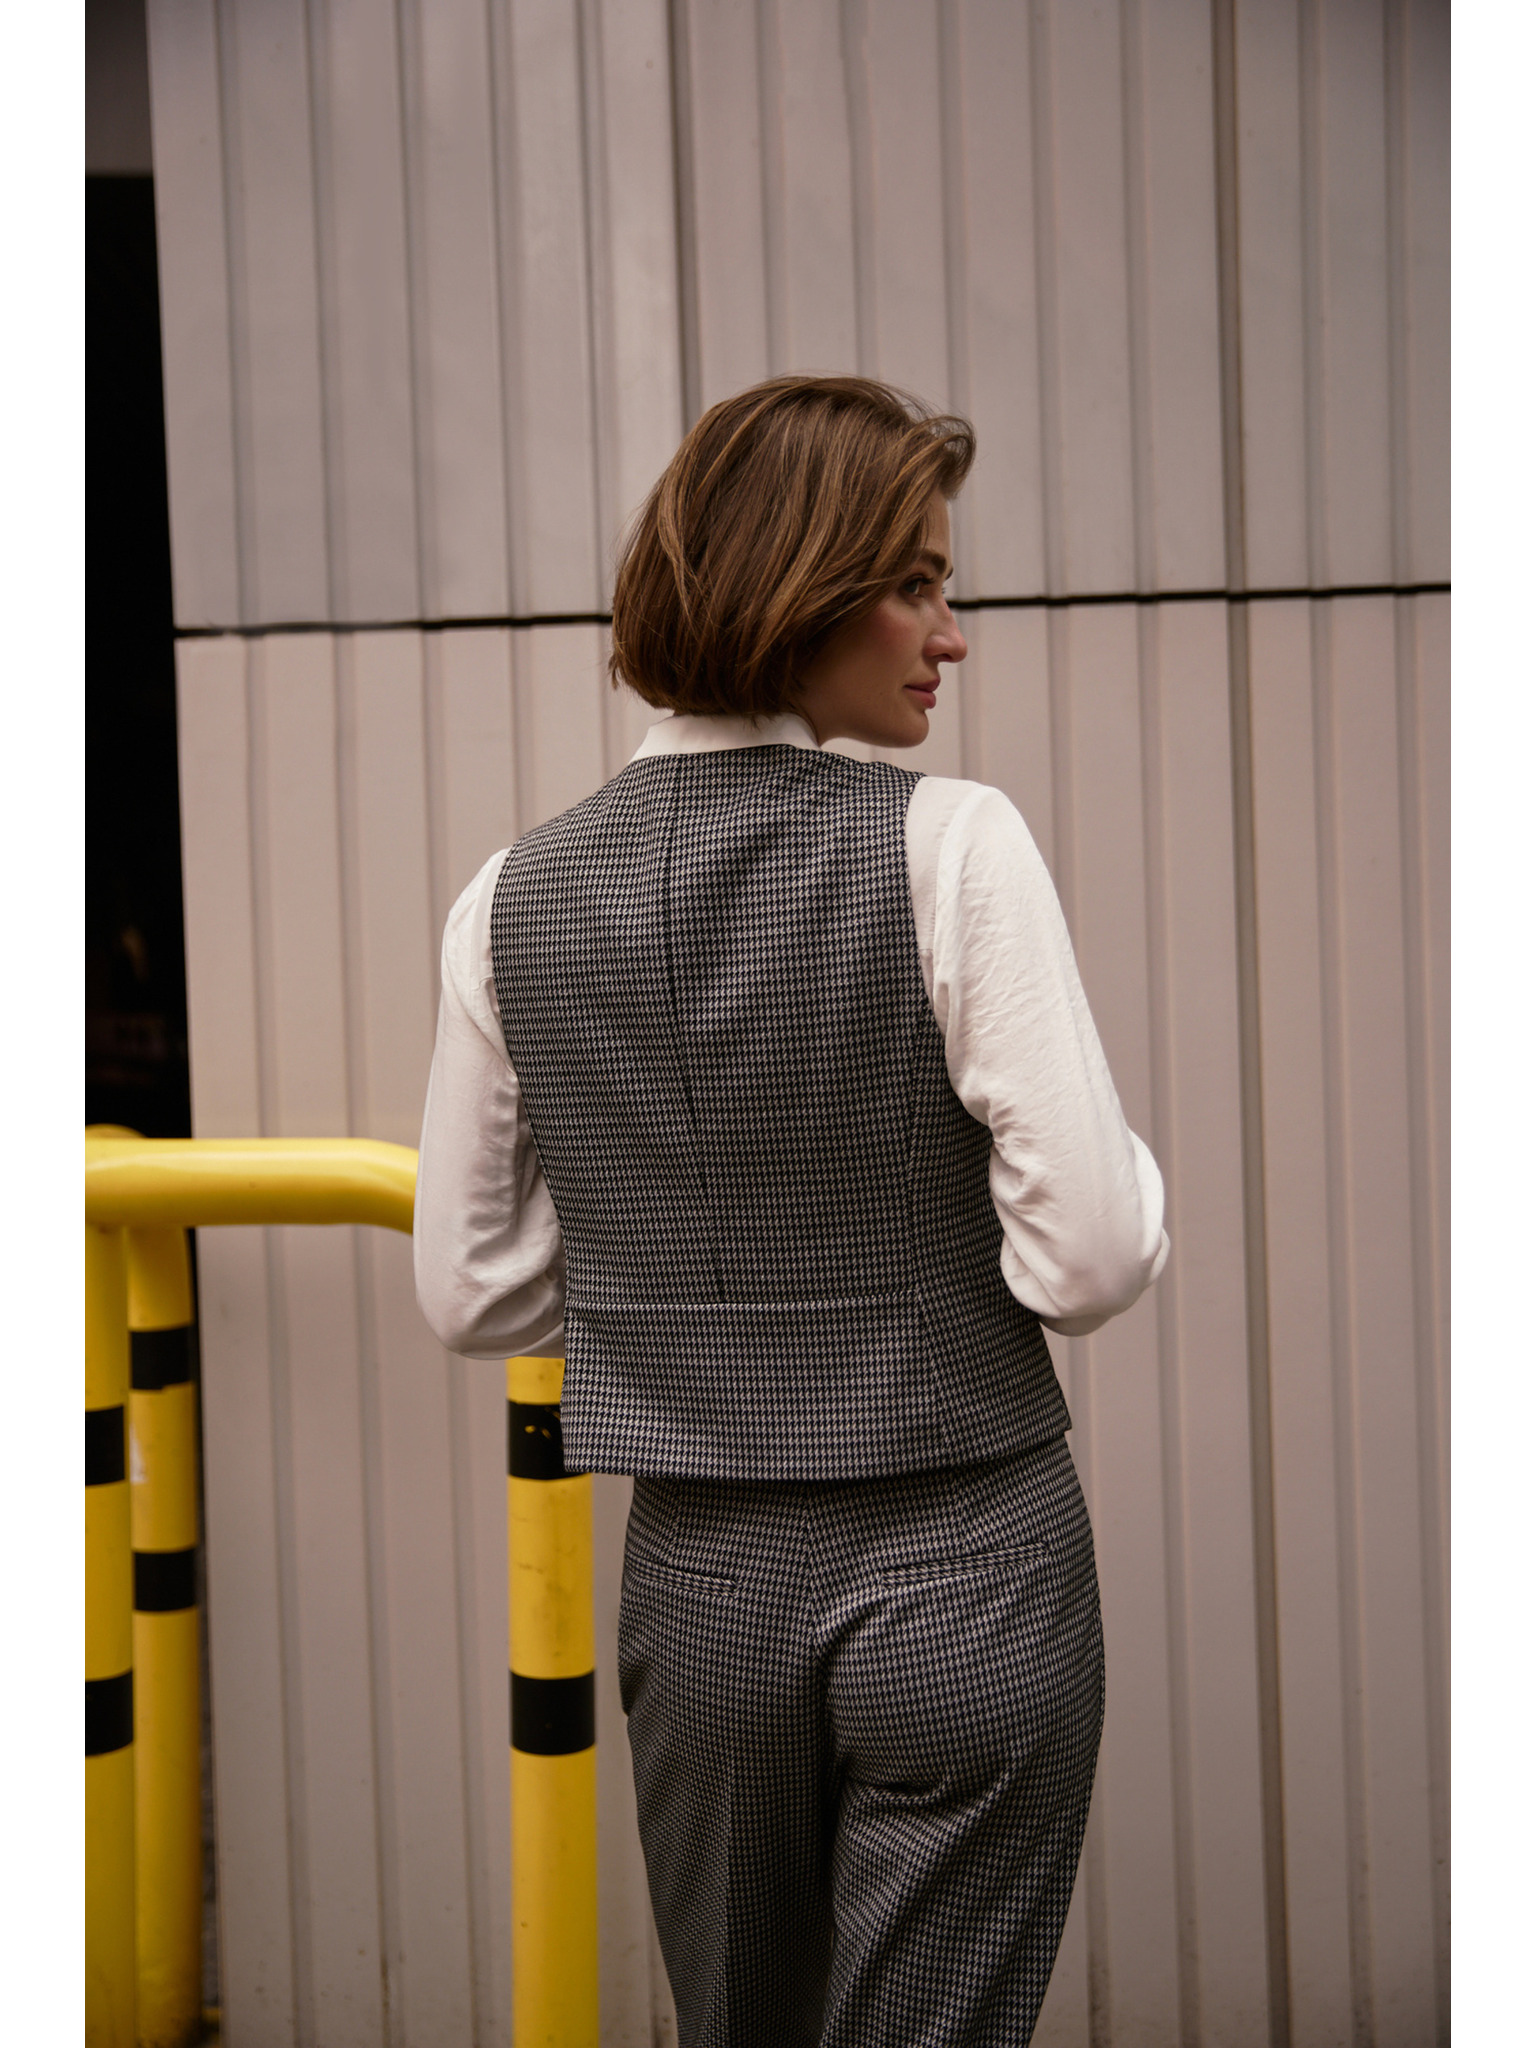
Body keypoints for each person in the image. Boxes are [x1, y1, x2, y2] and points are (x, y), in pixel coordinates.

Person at [414, 375, 1168, 2045]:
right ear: (798, 588)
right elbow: (1092, 1257)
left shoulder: (509, 896)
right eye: (917, 584)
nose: (950, 636)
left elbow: (473, 1295)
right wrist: (1131, 1171)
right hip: (970, 1555)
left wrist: (678, 1272)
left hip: (697, 1583)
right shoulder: (952, 844)